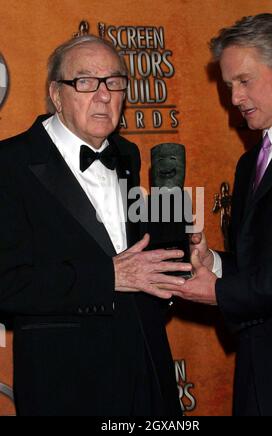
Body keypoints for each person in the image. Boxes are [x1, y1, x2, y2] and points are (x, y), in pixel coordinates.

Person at [0, 35, 192, 416]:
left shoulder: (128, 154)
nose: (104, 95)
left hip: (149, 375)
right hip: (68, 385)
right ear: (56, 94)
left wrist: (172, 269)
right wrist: (106, 276)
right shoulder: (9, 164)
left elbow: (135, 257)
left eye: (115, 82)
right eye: (85, 82)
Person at [164, 13, 272, 416]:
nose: (235, 98)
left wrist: (220, 293)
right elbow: (262, 263)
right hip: (260, 368)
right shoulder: (249, 164)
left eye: (245, 81)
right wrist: (217, 266)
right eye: (228, 86)